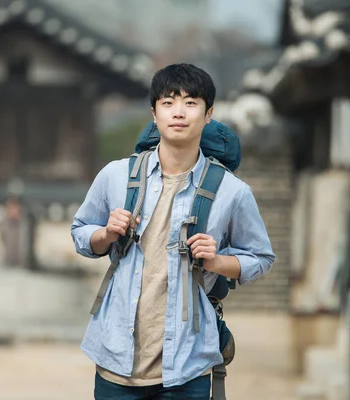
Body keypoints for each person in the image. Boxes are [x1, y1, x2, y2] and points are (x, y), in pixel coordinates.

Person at [71, 63, 275, 399]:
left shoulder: (232, 191)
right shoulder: (115, 175)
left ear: (209, 114)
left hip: (188, 365)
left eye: (190, 103)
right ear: (154, 113)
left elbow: (261, 257)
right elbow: (81, 232)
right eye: (168, 102)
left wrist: (217, 262)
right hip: (115, 360)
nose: (178, 112)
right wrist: (106, 234)